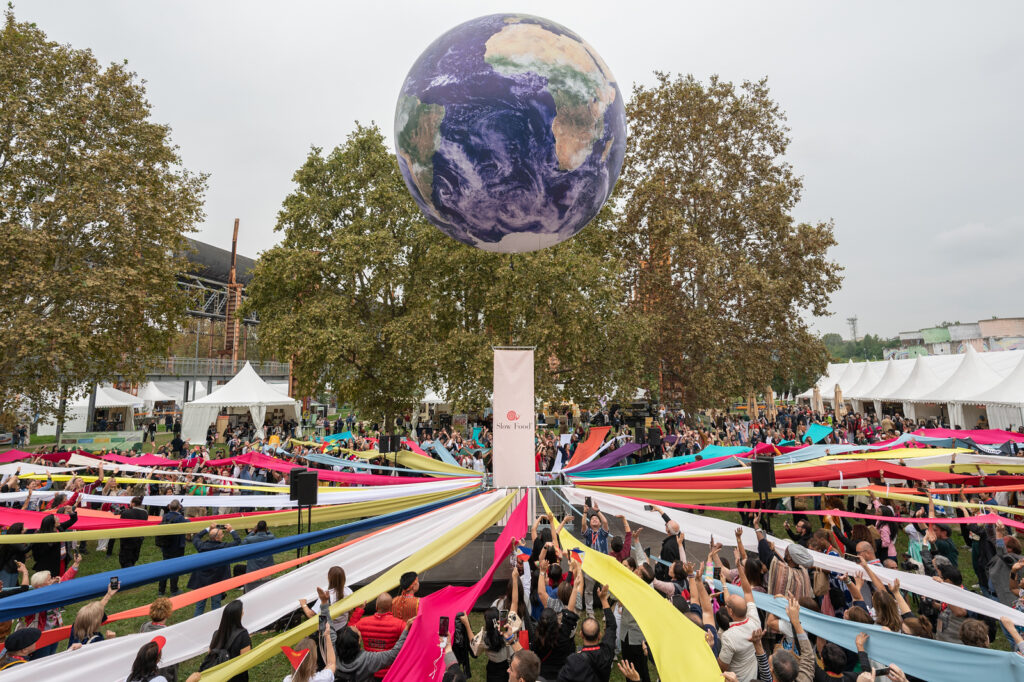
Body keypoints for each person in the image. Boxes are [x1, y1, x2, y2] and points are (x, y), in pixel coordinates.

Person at [557, 583, 616, 682]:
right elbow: (612, 626)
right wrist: (603, 600)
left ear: (581, 634)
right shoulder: (607, 652)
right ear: (600, 635)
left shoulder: (573, 660)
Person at [718, 553, 760, 682]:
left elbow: (722, 666)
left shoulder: (728, 636)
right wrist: (740, 569)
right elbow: (747, 591)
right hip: (753, 677)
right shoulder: (754, 619)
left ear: (730, 612)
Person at [189, 523, 242, 616]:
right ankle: (215, 623)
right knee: (216, 604)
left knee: (199, 605)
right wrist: (231, 530)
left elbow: (196, 537)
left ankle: (196, 623)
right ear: (217, 538)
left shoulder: (202, 546)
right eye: (222, 534)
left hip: (202, 580)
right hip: (217, 579)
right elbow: (237, 541)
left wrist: (208, 529)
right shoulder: (224, 547)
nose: (223, 535)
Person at [334, 619, 411, 681]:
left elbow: (329, 631)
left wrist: (324, 604)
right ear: (358, 641)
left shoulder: (334, 655)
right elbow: (393, 654)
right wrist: (406, 629)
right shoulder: (367, 659)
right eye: (358, 632)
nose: (356, 627)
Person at [352, 593, 406, 679]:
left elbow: (349, 631)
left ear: (376, 606)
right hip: (390, 673)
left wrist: (359, 609)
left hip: (368, 671)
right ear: (391, 607)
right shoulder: (400, 624)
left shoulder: (363, 622)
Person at [205, 600, 252, 682]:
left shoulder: (216, 633)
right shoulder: (243, 635)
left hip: (219, 677)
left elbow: (210, 653)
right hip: (237, 678)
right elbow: (246, 662)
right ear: (239, 615)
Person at [140, 598, 178, 682]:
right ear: (168, 613)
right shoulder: (169, 633)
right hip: (163, 670)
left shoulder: (144, 626)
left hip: (145, 669)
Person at [156, 500, 188, 596]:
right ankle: (174, 589)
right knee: (175, 568)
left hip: (166, 546)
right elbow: (188, 524)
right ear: (179, 507)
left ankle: (161, 590)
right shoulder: (180, 518)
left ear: (169, 507)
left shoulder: (165, 516)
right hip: (177, 547)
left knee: (165, 567)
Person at [241, 520, 276, 592]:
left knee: (251, 591)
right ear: (266, 528)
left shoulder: (250, 539)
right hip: (267, 568)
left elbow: (242, 544)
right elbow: (275, 539)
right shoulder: (271, 538)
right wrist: (267, 531)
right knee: (265, 589)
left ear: (257, 528)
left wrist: (252, 532)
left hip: (253, 568)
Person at [119, 495, 150, 568]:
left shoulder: (126, 513)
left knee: (125, 559)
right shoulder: (145, 513)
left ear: (133, 503)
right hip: (139, 538)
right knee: (134, 556)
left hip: (127, 539)